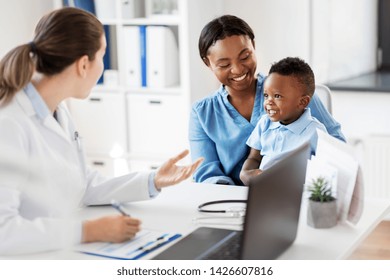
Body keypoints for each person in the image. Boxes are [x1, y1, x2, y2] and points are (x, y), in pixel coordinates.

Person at [0, 7, 203, 255]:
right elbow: (3, 231)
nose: (103, 67)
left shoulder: (57, 111)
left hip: (56, 251)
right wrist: (89, 231)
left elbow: (80, 185)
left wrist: (152, 180)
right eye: (102, 55)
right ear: (84, 64)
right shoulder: (9, 123)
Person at [189, 14, 345, 186]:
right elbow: (206, 173)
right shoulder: (202, 113)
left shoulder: (293, 90)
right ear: (207, 63)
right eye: (224, 65)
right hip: (230, 202)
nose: (238, 69)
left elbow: (337, 147)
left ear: (253, 46)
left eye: (245, 57)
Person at [240, 57, 327, 185]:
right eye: (266, 95)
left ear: (302, 102)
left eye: (277, 96)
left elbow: (323, 172)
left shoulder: (316, 132)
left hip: (294, 193)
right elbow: (253, 157)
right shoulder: (264, 123)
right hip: (261, 190)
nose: (269, 101)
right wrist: (245, 173)